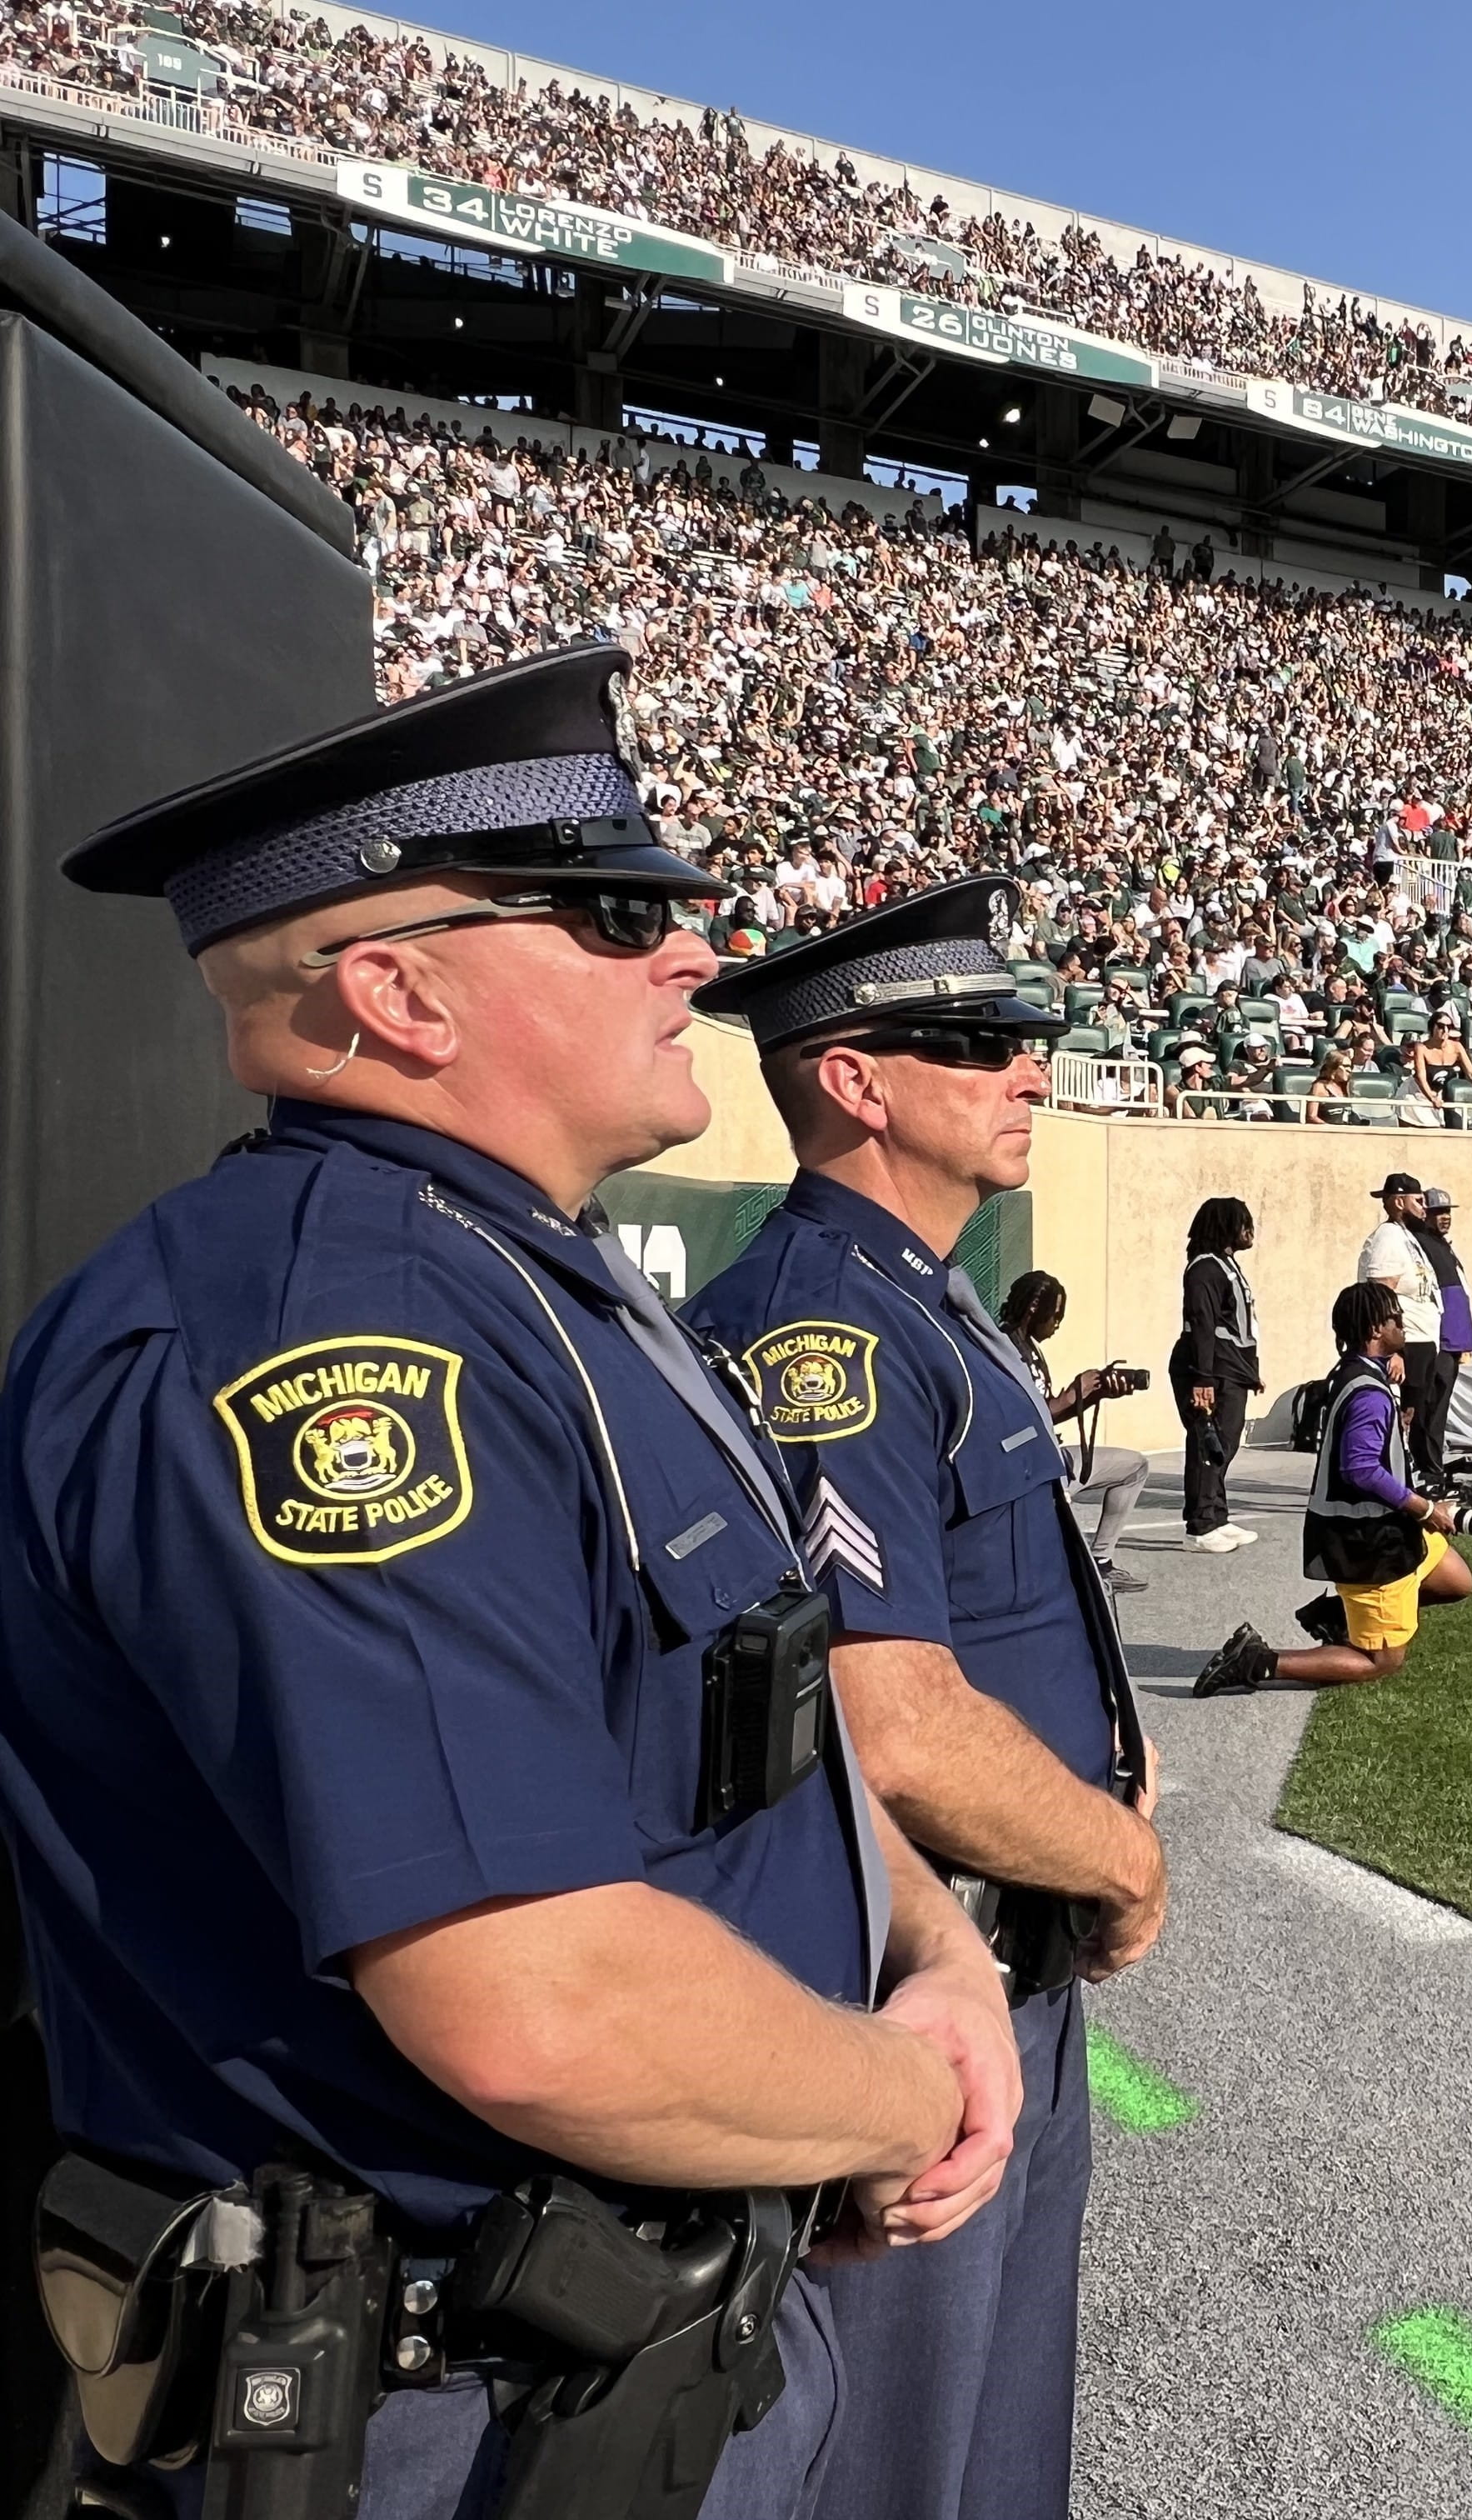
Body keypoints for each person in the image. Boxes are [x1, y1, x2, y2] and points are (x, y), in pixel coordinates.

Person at [3, 648, 1018, 2517]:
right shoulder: (345, 1336)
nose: (692, 959)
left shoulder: (529, 1277)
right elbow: (534, 2005)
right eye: (619, 912)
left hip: (635, 2345)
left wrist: (934, 1949)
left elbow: (754, 1719)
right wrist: (910, 2094)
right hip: (453, 2410)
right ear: (396, 992)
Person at [684, 873, 1168, 2520]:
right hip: (908, 1982)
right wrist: (1118, 1852)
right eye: (978, 1039)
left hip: (1007, 1963)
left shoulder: (921, 1297)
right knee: (900, 2466)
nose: (1032, 1066)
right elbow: (887, 1713)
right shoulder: (829, 1322)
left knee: (998, 2453)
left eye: (1029, 1033)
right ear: (856, 1082)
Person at [1193, 1282, 1472, 1692]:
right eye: (1395, 1319)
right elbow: (1361, 1469)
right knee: (1380, 1662)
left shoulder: (1353, 1371)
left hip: (1389, 1528)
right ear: (1375, 1330)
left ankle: (1338, 1616)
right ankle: (1257, 1660)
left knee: (1455, 1581)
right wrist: (1426, 1509)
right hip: (1373, 1541)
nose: (1403, 1324)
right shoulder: (1369, 1394)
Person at [998, 1268, 1154, 1591]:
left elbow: (1048, 1413)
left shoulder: (1031, 1348)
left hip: (1052, 1459)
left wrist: (1094, 1394)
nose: (1057, 1325)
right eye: (1054, 1316)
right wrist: (1073, 1394)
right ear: (1032, 1310)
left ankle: (1100, 1562)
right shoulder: (1001, 1349)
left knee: (1134, 1466)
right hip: (1027, 1471)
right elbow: (1021, 1418)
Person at [1173, 1196, 1265, 1538]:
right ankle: (1201, 1525)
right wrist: (1203, 1379)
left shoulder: (1226, 1266)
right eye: (1242, 1223)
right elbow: (1203, 1325)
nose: (1249, 1230)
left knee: (1225, 1445)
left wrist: (1250, 1373)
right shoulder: (1204, 1269)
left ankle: (1218, 1516)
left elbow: (1238, 1327)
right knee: (1207, 1444)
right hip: (1209, 1371)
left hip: (1230, 1370)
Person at [1357, 1172, 1450, 1482]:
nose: (1426, 1208)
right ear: (1399, 1202)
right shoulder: (1387, 1238)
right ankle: (1383, 1473)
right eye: (1419, 1201)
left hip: (1423, 1342)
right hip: (1405, 1343)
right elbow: (1382, 1296)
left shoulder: (1407, 1236)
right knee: (1401, 1414)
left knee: (1415, 1413)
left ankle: (1403, 1474)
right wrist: (1393, 1352)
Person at [1411, 1182, 1472, 1475]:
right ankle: (1427, 1468)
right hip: (1437, 1340)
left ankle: (1433, 1465)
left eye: (1447, 1211)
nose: (1445, 1217)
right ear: (1424, 1213)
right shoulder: (1420, 1242)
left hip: (1452, 1342)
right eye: (1438, 1211)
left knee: (1438, 1409)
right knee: (1427, 1408)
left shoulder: (1442, 1245)